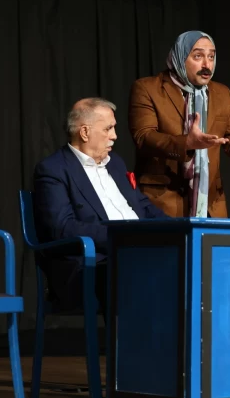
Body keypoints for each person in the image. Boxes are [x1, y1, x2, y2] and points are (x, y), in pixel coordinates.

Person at [128, 30, 230, 218]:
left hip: (211, 204)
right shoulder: (147, 88)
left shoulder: (221, 93)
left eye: (211, 57)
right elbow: (144, 137)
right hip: (162, 201)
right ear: (180, 57)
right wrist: (186, 143)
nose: (207, 65)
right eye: (198, 56)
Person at [33, 98, 167, 315]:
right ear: (85, 132)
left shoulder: (115, 163)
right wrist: (124, 237)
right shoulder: (53, 170)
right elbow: (62, 227)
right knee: (145, 271)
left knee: (192, 261)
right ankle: (140, 337)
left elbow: (142, 206)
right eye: (108, 128)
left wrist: (178, 229)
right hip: (93, 261)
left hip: (138, 250)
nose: (115, 136)